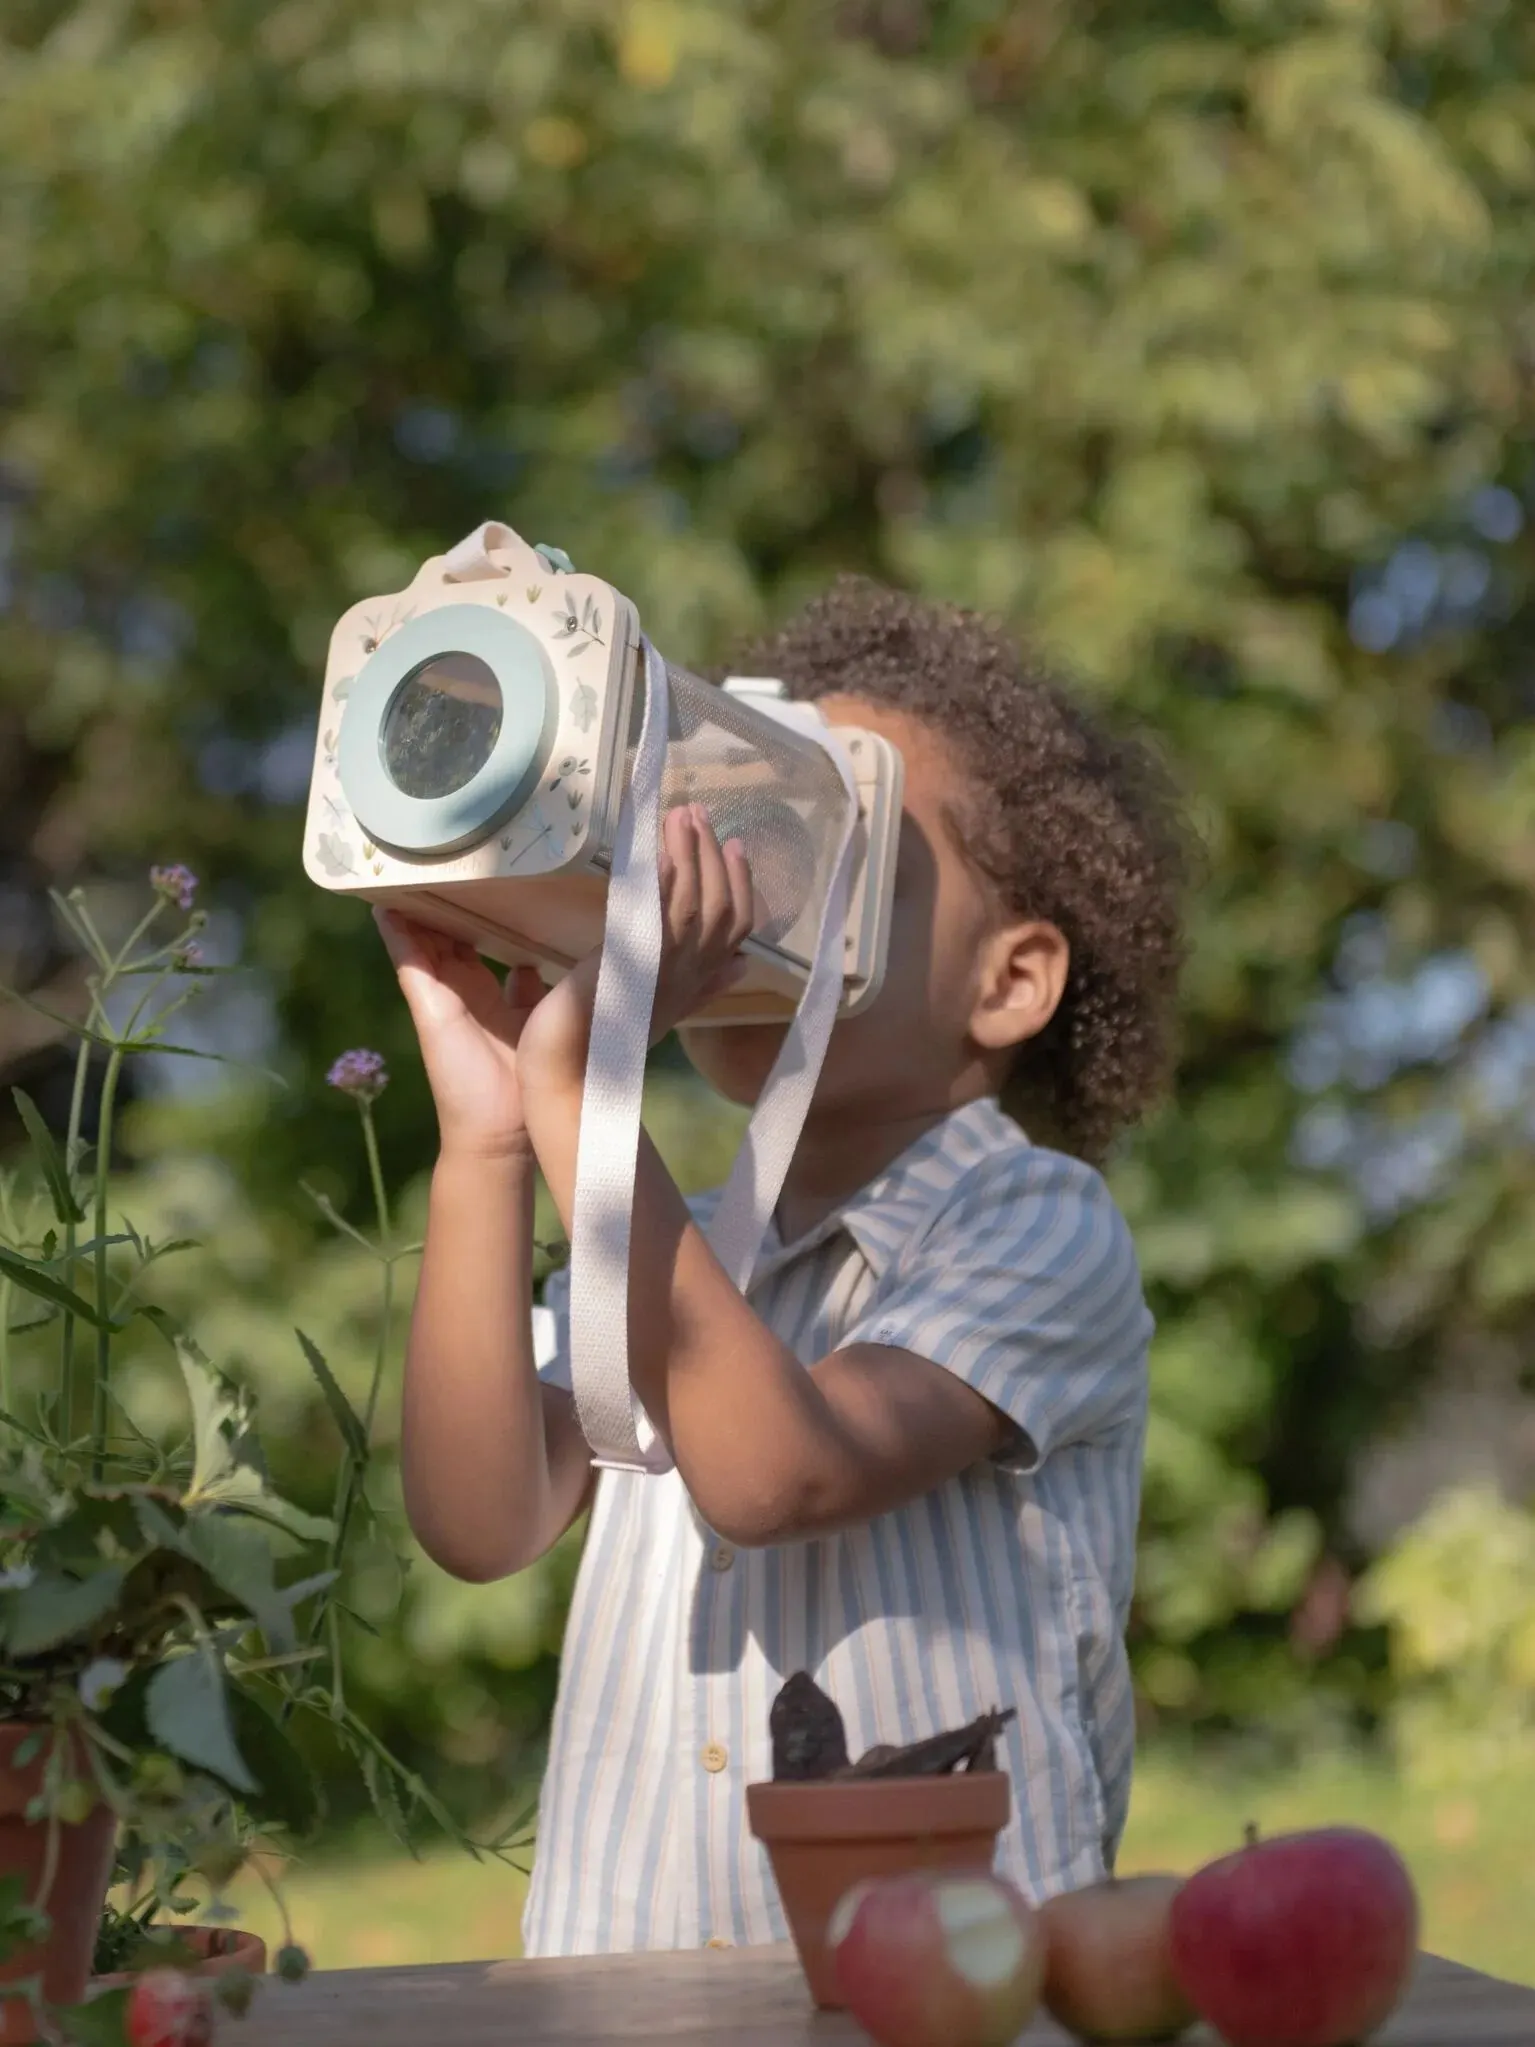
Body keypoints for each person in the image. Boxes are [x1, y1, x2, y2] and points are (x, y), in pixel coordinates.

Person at [378, 576, 1192, 1957]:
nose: (758, 888)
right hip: (631, 1987)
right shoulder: (671, 1234)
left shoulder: (1034, 1222)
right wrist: (494, 1136)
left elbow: (778, 1474)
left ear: (1008, 981)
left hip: (947, 1987)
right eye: (741, 826)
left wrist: (586, 1089)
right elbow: (481, 1521)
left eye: (838, 850)